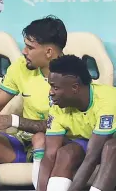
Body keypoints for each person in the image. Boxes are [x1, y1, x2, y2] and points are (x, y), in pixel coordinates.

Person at [0, 15, 68, 190]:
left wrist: (12, 120)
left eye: (30, 47)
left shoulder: (72, 76)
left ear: (48, 52)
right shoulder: (20, 67)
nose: (24, 51)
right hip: (25, 141)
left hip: (59, 143)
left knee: (41, 139)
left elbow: (60, 126)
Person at [38, 55, 116, 191]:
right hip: (94, 144)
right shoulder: (57, 105)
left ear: (75, 87)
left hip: (108, 147)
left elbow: (92, 157)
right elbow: (49, 155)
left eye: (55, 88)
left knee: (111, 147)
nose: (51, 92)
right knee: (67, 152)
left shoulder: (107, 100)